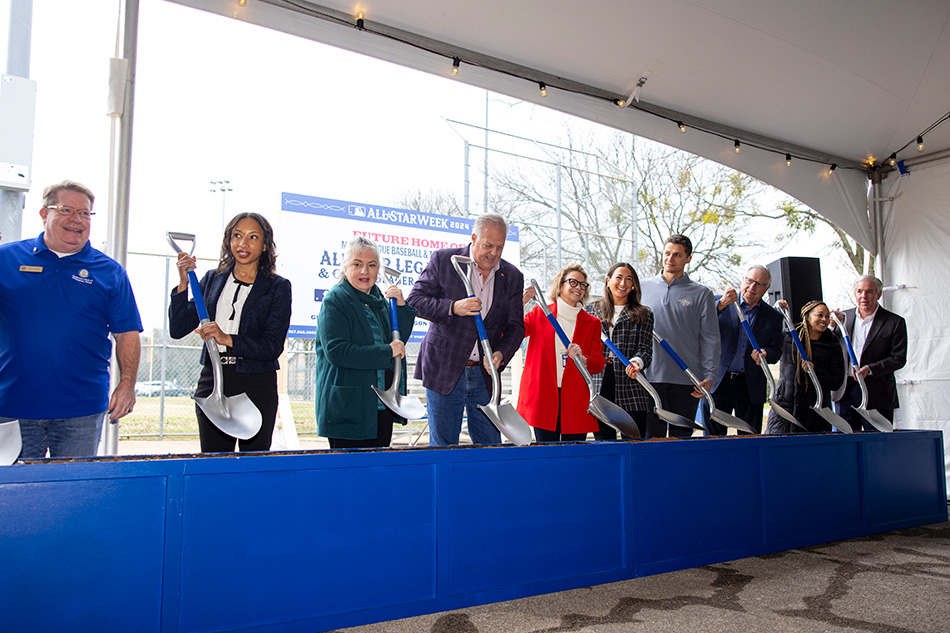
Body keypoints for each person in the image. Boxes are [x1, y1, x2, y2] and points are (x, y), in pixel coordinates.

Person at [0, 180, 142, 458]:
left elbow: (127, 333)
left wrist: (127, 385)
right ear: (44, 214)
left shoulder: (110, 272)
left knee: (76, 496)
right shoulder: (6, 259)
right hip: (11, 406)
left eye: (85, 213)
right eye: (66, 210)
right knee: (15, 497)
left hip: (81, 411)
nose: (77, 219)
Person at [169, 212, 291, 452]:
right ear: (229, 240)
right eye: (237, 236)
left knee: (253, 466)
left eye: (252, 237)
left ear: (265, 245)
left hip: (256, 384)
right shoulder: (212, 279)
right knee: (215, 463)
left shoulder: (278, 287)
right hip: (214, 380)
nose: (242, 244)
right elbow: (178, 328)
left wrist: (227, 339)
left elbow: (272, 346)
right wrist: (183, 284)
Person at [407, 213, 525, 446]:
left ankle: (486, 483)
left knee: (490, 444)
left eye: (500, 247)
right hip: (445, 367)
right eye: (488, 245)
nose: (494, 253)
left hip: (485, 374)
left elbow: (515, 327)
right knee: (444, 445)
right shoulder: (444, 260)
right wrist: (453, 307)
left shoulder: (512, 276)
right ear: (473, 238)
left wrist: (501, 354)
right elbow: (415, 301)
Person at [314, 236, 416, 448]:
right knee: (348, 475)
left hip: (379, 406)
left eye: (371, 265)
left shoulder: (379, 300)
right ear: (345, 267)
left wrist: (401, 307)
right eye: (357, 264)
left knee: (376, 473)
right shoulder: (335, 300)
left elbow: (398, 343)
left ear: (379, 269)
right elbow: (337, 351)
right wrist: (386, 352)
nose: (365, 272)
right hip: (347, 408)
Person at [639, 235, 720, 438]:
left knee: (681, 441)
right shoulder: (641, 288)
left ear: (688, 259)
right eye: (667, 253)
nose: (670, 258)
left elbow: (710, 337)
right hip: (649, 378)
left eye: (677, 255)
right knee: (651, 441)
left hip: (687, 381)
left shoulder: (702, 293)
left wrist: (709, 376)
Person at [518, 264, 605, 442]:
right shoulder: (539, 313)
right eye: (573, 282)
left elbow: (598, 363)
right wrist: (520, 303)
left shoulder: (592, 322)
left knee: (573, 455)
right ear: (560, 285)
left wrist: (583, 359)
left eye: (583, 284)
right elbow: (511, 332)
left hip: (575, 400)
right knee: (547, 452)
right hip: (543, 395)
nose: (578, 287)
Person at [703, 265, 784, 435]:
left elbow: (777, 350)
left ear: (767, 289)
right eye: (750, 281)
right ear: (743, 280)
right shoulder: (719, 303)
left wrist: (766, 353)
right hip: (717, 382)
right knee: (712, 439)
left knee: (749, 437)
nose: (752, 287)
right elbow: (700, 327)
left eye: (760, 284)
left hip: (750, 386)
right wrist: (721, 305)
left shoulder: (773, 316)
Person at [584, 262, 654, 439]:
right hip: (599, 383)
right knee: (604, 444)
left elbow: (645, 349)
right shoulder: (591, 310)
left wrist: (637, 363)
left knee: (633, 442)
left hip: (631, 384)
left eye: (629, 279)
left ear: (633, 286)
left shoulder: (644, 313)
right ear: (608, 281)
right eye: (619, 277)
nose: (623, 283)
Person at [835, 275, 908, 431]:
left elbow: (898, 358)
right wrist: (829, 327)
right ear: (854, 293)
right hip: (846, 392)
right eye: (860, 291)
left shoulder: (895, 322)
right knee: (846, 444)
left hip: (878, 394)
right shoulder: (842, 319)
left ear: (878, 294)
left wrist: (872, 368)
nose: (863, 296)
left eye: (869, 292)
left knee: (877, 444)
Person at [766, 300, 845, 434]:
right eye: (819, 315)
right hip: (785, 410)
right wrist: (775, 312)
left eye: (827, 316)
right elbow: (767, 336)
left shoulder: (832, 344)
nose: (824, 319)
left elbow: (836, 382)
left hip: (815, 412)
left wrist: (815, 371)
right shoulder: (789, 336)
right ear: (807, 317)